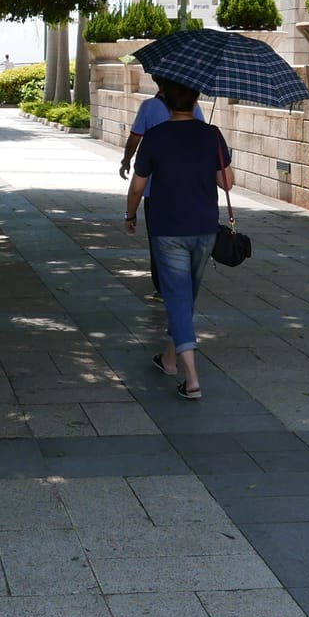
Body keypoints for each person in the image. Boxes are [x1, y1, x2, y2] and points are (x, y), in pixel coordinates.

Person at [123, 79, 232, 400]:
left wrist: (130, 215)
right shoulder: (211, 134)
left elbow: (138, 187)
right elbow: (227, 182)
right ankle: (170, 360)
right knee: (184, 299)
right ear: (197, 98)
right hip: (204, 228)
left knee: (178, 300)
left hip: (167, 228)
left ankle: (193, 378)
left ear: (167, 102)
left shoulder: (155, 138)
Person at [120, 79, 206, 293]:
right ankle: (184, 280)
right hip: (190, 188)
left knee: (158, 241)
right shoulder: (194, 108)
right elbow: (201, 135)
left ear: (160, 85)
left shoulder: (149, 108)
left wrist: (126, 160)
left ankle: (163, 287)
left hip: (156, 191)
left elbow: (135, 138)